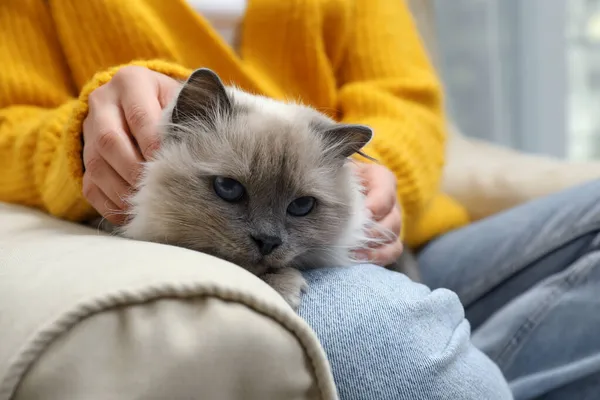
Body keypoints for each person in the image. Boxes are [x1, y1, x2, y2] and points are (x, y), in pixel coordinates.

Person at [1, 1, 590, 399]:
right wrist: (81, 145)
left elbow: (403, 97)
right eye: (230, 191)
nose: (265, 234)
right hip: (263, 270)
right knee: (387, 337)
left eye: (292, 209)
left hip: (378, 241)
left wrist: (384, 181)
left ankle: (464, 355)